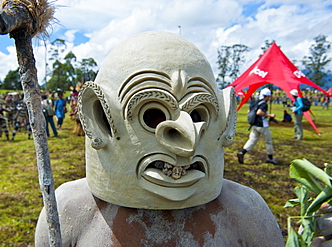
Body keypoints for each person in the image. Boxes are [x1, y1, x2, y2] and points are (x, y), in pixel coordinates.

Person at [35, 31, 284, 246]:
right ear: (98, 119)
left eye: (198, 114)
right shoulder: (68, 211)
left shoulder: (246, 212)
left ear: (225, 120)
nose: (188, 142)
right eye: (152, 114)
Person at [237, 88, 278, 164]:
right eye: (269, 96)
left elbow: (249, 111)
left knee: (252, 140)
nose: (269, 98)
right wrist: (269, 115)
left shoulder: (256, 102)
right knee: (268, 141)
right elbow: (259, 112)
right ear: (266, 96)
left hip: (254, 124)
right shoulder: (263, 103)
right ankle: (270, 158)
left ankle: (242, 152)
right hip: (262, 125)